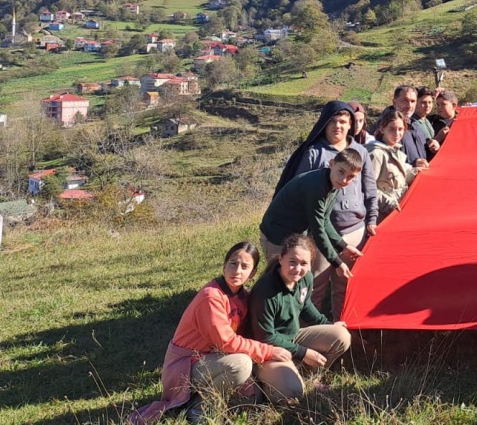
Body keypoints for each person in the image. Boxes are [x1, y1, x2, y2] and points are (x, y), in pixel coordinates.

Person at [129, 243, 290, 424]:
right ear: (224, 266)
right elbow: (226, 342)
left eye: (245, 267)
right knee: (241, 364)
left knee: (254, 397)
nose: (237, 271)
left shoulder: (243, 296)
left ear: (252, 274)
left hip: (213, 360)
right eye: (233, 263)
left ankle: (208, 400)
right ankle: (199, 409)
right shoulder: (211, 297)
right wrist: (268, 351)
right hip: (185, 365)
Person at [273, 101, 379, 319]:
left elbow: (370, 188)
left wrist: (372, 219)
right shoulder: (313, 153)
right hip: (318, 233)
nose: (337, 126)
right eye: (332, 121)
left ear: (351, 125)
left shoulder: (360, 151)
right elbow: (300, 192)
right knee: (315, 287)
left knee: (345, 285)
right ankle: (311, 332)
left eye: (343, 122)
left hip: (354, 230)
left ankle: (341, 329)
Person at [249, 234, 352, 403]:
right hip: (268, 350)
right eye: (292, 262)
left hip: (293, 337)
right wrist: (303, 352)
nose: (297, 269)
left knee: (341, 336)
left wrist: (329, 325)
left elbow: (305, 307)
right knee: (293, 391)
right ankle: (262, 380)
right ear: (281, 258)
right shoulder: (265, 292)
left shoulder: (305, 279)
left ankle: (306, 375)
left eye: (304, 263)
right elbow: (265, 337)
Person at [259, 149, 365, 262]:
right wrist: (337, 262)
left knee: (299, 276)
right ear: (331, 163)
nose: (344, 180)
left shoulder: (334, 183)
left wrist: (343, 246)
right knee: (280, 276)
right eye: (341, 172)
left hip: (295, 236)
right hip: (276, 236)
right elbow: (318, 230)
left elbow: (325, 220)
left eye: (350, 177)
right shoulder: (317, 187)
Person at [367, 108, 420, 220]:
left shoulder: (396, 150)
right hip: (384, 214)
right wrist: (390, 205)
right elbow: (368, 188)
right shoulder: (375, 154)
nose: (397, 133)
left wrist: (416, 172)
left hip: (399, 208)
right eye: (392, 129)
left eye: (400, 129)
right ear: (382, 129)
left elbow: (399, 177)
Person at [391, 84, 434, 165]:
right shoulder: (387, 127)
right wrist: (413, 164)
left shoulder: (415, 126)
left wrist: (434, 148)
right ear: (394, 102)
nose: (409, 105)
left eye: (413, 101)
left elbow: (424, 155)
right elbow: (388, 162)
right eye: (405, 100)